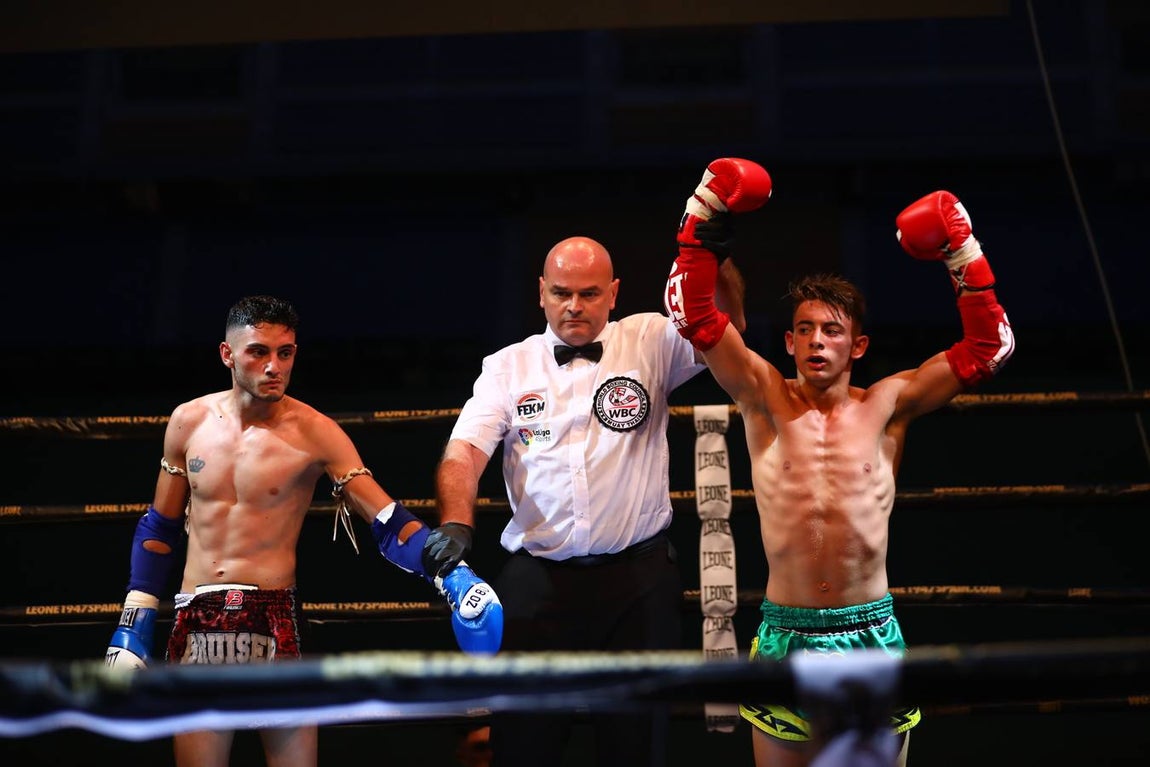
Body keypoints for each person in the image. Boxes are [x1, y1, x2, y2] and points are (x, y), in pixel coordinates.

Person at [662, 159, 1015, 767]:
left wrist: (962, 249)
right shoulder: (763, 398)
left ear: (858, 345)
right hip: (784, 634)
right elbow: (695, 318)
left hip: (870, 632)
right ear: (790, 342)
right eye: (805, 329)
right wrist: (702, 217)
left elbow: (988, 348)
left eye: (831, 329)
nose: (817, 340)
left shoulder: (888, 405)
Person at [104, 294, 503, 767]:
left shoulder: (315, 432)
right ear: (227, 355)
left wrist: (453, 576)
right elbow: (159, 528)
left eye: (286, 353)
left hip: (274, 616)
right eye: (259, 352)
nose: (274, 366)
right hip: (197, 616)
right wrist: (134, 623)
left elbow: (386, 521)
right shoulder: (187, 422)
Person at [425, 234, 748, 767]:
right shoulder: (507, 366)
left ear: (614, 293)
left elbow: (726, 330)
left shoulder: (650, 338)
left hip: (637, 582)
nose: (574, 305)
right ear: (541, 293)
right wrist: (458, 523)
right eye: (562, 292)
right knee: (524, 744)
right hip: (539, 580)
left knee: (635, 746)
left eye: (590, 293)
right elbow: (463, 452)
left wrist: (717, 253)